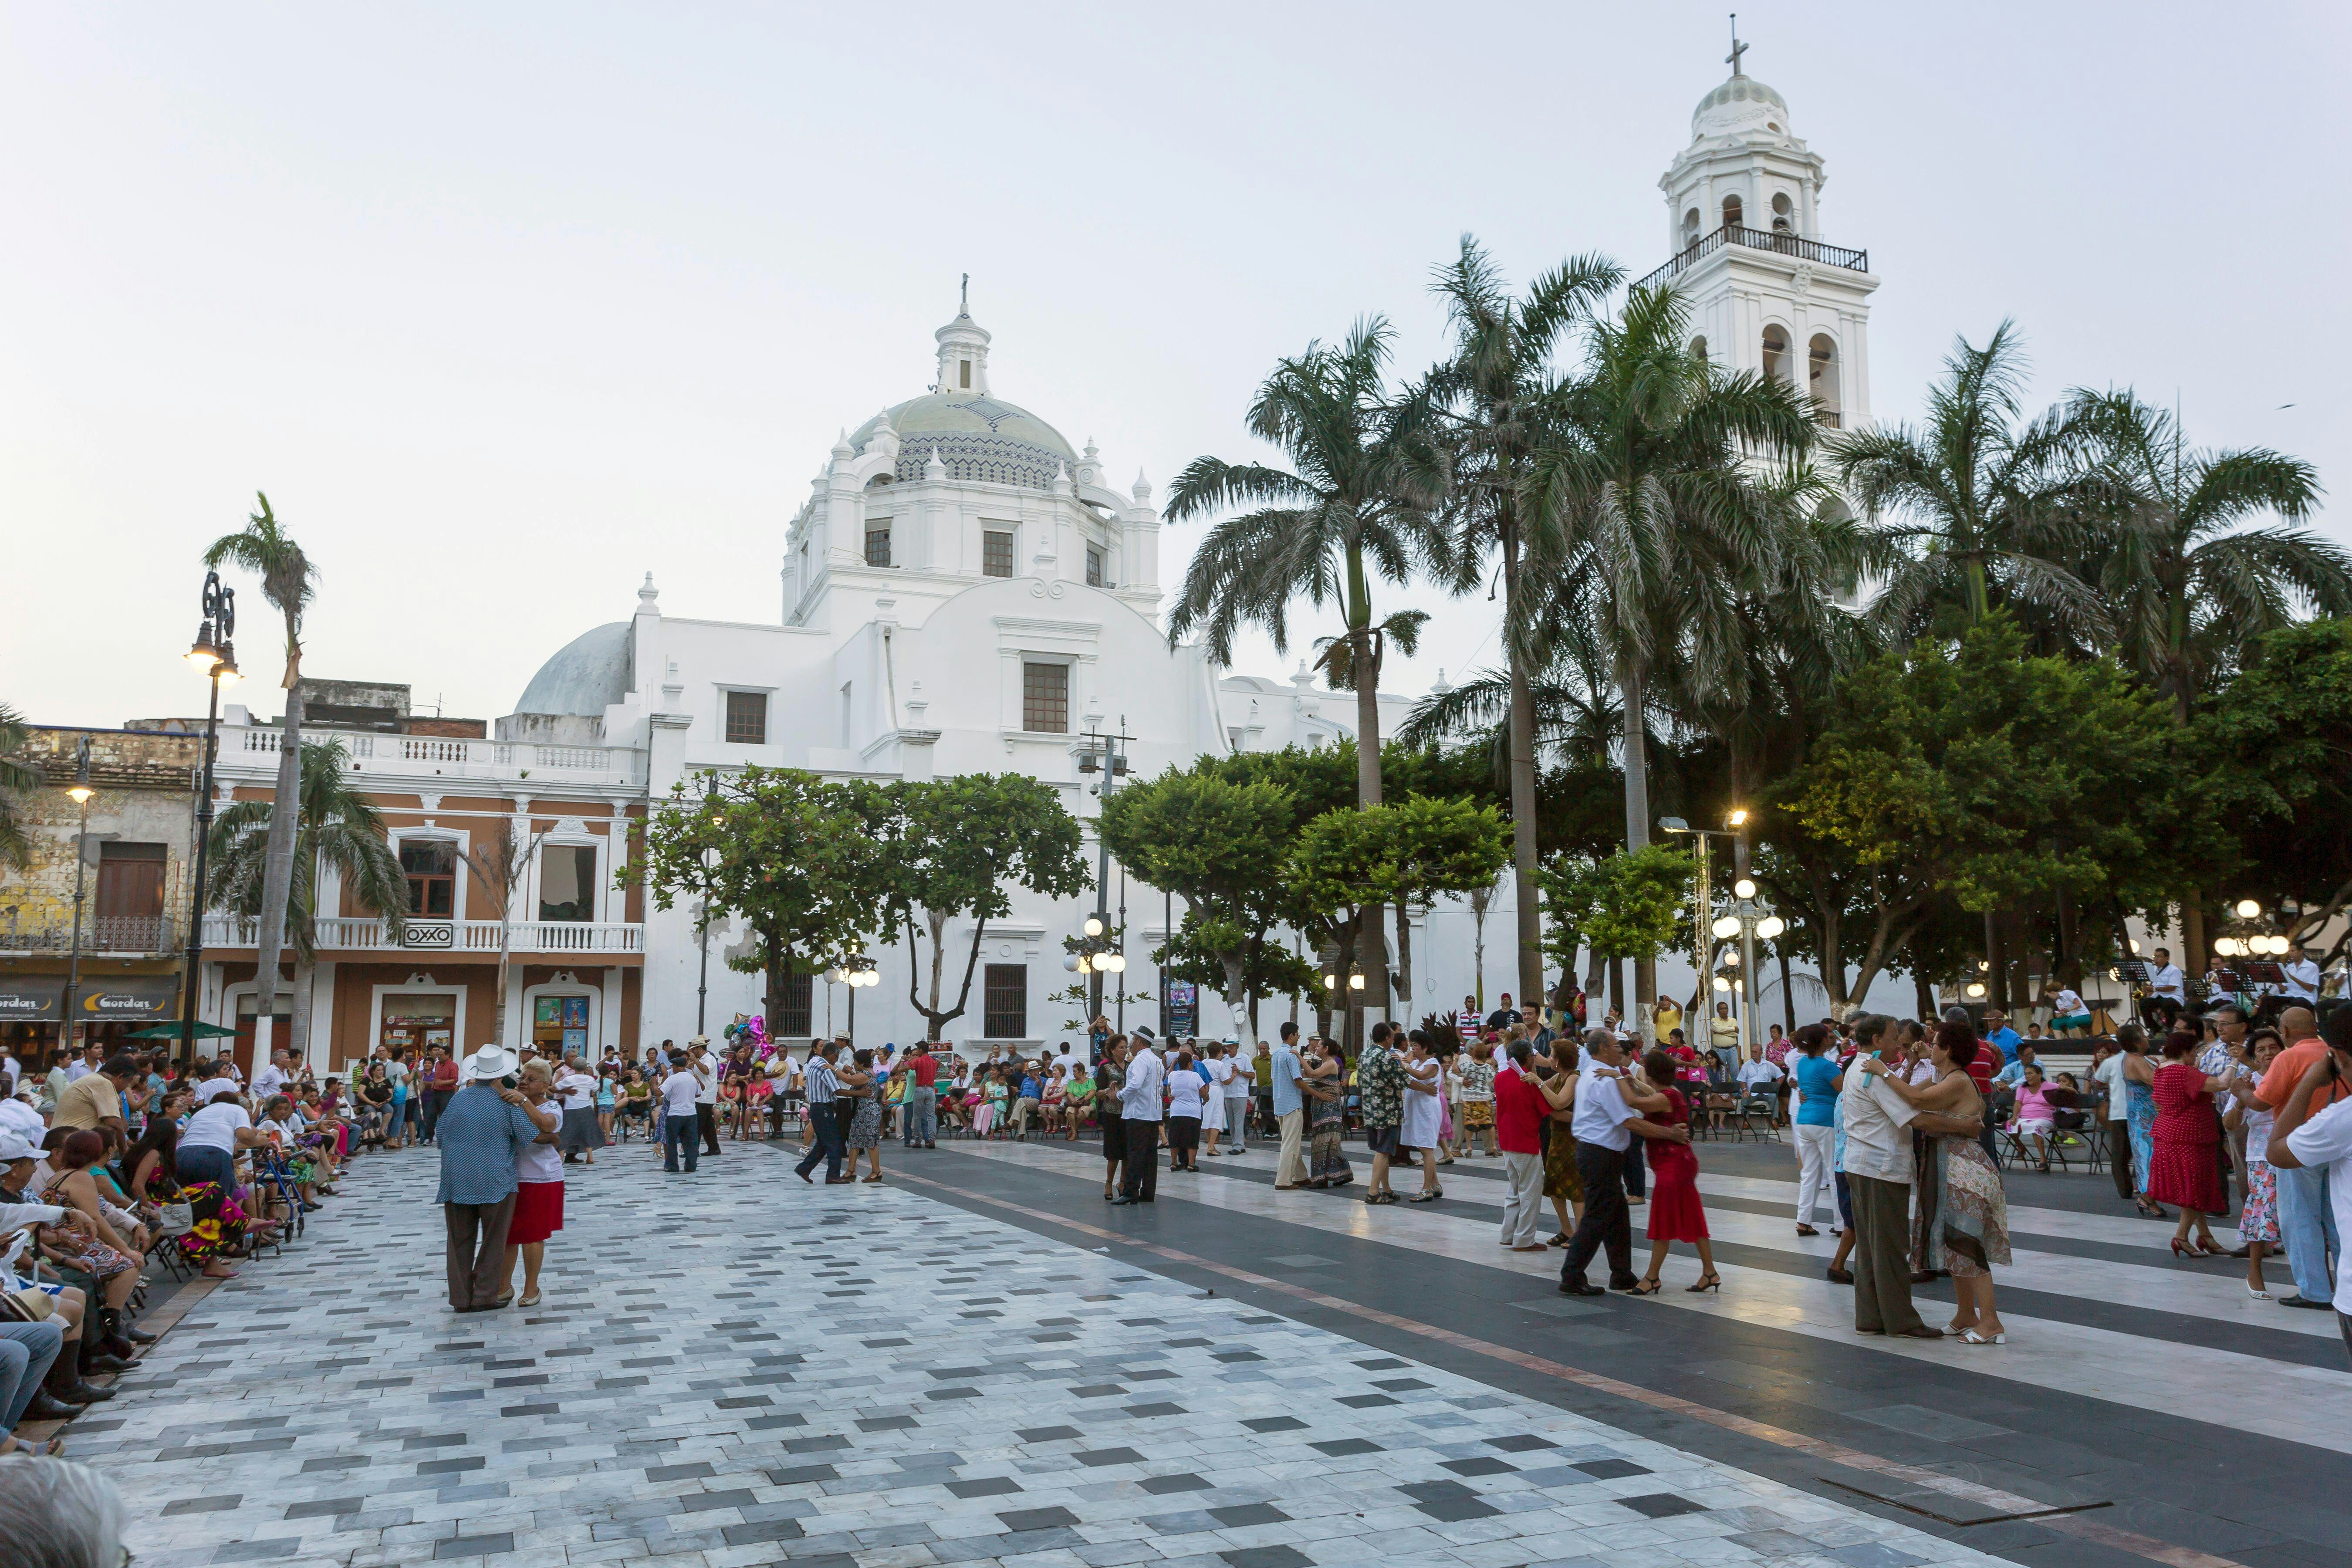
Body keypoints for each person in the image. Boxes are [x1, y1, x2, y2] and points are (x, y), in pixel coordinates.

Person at [1859, 1021, 2009, 1343]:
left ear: (1949, 1050)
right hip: (1947, 1164)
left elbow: (1915, 1099)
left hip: (1963, 1168)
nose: (1928, 1046)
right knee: (1951, 1240)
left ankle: (1991, 1321)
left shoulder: (1956, 1080)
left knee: (1967, 1242)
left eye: (1935, 1044)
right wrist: (1913, 1062)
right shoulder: (1945, 1075)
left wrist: (1882, 1070)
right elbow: (1916, 1088)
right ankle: (1966, 1314)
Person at [1836, 1014, 1940, 1338]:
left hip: (1862, 1166)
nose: (1900, 1042)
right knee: (1893, 1247)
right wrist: (1965, 1125)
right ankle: (1902, 1321)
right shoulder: (1874, 1075)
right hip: (1881, 1169)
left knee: (1870, 1247)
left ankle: (1871, 1316)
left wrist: (1920, 1068)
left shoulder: (1861, 1067)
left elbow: (1906, 1092)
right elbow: (1913, 1115)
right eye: (1894, 1036)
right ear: (1878, 1040)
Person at [1558, 1028, 1683, 1296]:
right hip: (1599, 1154)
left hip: (1600, 1153)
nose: (1620, 1050)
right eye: (1615, 1046)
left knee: (1616, 1215)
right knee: (1596, 1216)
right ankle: (1572, 1275)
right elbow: (1628, 1120)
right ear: (1603, 1049)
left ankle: (1622, 1273)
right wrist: (1669, 1133)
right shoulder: (1602, 1080)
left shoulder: (1597, 1075)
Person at [435, 1046, 557, 1312]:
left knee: (458, 1243)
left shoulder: (458, 1099)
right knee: (494, 1241)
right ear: (501, 1076)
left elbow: (441, 1138)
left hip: (456, 1180)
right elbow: (533, 1137)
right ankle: (484, 1296)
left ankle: (460, 1299)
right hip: (496, 1181)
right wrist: (555, 1138)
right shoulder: (506, 1102)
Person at [2264, 1014, 2352, 1358]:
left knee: (2302, 1217)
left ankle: (2314, 1288)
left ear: (2338, 1057)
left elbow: (2277, 1151)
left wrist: (2310, 1082)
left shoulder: (2343, 1119)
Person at [1626, 1048, 1717, 1294]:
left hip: (1673, 1166)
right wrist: (1632, 1080)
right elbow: (1645, 1093)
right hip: (1679, 1163)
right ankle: (1710, 1272)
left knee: (1662, 1219)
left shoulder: (1664, 1098)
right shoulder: (1670, 1092)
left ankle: (1652, 1277)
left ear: (1652, 1075)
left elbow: (1634, 1102)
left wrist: (1616, 1078)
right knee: (1693, 1218)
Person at [2148, 1030, 2237, 1258]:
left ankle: (2205, 1236)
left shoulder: (2161, 1069)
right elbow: (2221, 1084)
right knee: (2194, 1188)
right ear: (2186, 1051)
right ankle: (2181, 1237)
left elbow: (2158, 1100)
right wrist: (2235, 1061)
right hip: (2191, 1136)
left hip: (2168, 1133)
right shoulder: (2184, 1072)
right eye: (2195, 1051)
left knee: (2193, 1187)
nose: (2197, 1055)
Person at [2226, 1027, 2286, 1299]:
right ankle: (2254, 1274)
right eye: (2261, 1050)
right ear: (2254, 1056)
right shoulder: (2248, 1081)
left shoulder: (2296, 1077)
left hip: (2297, 1151)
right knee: (2263, 1214)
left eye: (2273, 1047)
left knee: (2300, 1216)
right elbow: (2229, 1123)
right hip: (2262, 1155)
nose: (2268, 1053)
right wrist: (2241, 1099)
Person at [503, 1061, 564, 1308]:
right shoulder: (512, 1105)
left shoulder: (552, 1107)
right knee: (509, 1236)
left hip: (542, 1177)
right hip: (512, 1176)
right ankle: (503, 1286)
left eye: (531, 1080)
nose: (524, 1082)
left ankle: (532, 1288)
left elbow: (548, 1126)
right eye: (523, 1078)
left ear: (545, 1086)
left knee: (533, 1236)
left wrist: (524, 1102)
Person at [1492, 1041, 1550, 1252]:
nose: (1535, 1059)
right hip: (1526, 1141)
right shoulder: (1529, 1081)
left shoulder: (1501, 1077)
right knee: (1530, 1193)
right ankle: (1525, 1240)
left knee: (1514, 1190)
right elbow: (1547, 1109)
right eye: (1533, 1056)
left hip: (1507, 1140)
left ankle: (1508, 1235)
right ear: (1527, 1058)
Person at [1790, 1024, 1838, 1236]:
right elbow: (1847, 1089)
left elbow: (1806, 1088)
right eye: (1829, 1036)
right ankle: (1842, 1223)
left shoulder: (1802, 1064)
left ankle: (1804, 1221)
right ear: (1822, 1042)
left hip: (1805, 1119)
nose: (1832, 1038)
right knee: (1834, 1173)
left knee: (1809, 1173)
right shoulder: (1827, 1066)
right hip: (1826, 1121)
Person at [1357, 1022, 1406, 1205]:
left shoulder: (1364, 1055)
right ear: (1387, 1038)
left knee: (1382, 1151)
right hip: (1388, 1112)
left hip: (1370, 1111)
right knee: (1383, 1151)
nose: (1394, 1039)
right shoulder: (1386, 1057)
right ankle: (1373, 1192)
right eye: (1393, 1036)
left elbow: (1360, 1083)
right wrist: (1427, 1088)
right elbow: (1402, 1081)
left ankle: (1386, 1189)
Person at [1112, 1031, 1164, 1204]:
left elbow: (1136, 1084)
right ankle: (1148, 1192)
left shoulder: (1141, 1060)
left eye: (1133, 1040)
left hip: (1139, 1113)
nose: (1131, 1045)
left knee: (1135, 1153)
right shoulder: (1157, 1060)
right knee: (1150, 1154)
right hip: (1153, 1113)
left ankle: (1131, 1192)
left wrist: (1119, 1095)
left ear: (1140, 1041)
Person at [2120, 1029, 2166, 1218]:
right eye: (2144, 1037)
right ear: (2137, 1043)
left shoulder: (2136, 1058)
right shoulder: (2136, 1060)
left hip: (2144, 1115)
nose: (2148, 1039)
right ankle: (2148, 1198)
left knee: (2149, 1156)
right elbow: (2156, 1081)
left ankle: (2148, 1198)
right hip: (2143, 1117)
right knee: (2147, 1156)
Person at [1400, 1032, 1445, 1202]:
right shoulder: (1418, 1063)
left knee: (1427, 1149)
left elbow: (1423, 1076)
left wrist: (1404, 1066)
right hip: (1417, 1109)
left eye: (1416, 1046)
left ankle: (1426, 1189)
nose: (1413, 1049)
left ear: (1425, 1048)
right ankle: (1435, 1185)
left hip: (1427, 1110)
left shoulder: (1432, 1063)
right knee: (1423, 1147)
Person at [1300, 1038, 1351, 1190]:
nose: (1316, 1049)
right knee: (1329, 1143)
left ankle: (1321, 1178)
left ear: (1326, 1049)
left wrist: (1299, 1056)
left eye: (1319, 1046)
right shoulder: (1326, 1063)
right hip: (1323, 1107)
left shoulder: (1330, 1063)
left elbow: (1313, 1074)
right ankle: (1342, 1174)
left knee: (1324, 1142)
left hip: (1329, 1109)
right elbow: (1307, 1074)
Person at [1270, 1024, 1306, 1188]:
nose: (1299, 1037)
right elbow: (1298, 1081)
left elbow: (1275, 1078)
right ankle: (1283, 1181)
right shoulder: (1291, 1055)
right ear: (1291, 1036)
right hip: (1292, 1104)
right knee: (1290, 1143)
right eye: (1298, 1034)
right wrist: (1317, 1093)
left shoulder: (1276, 1054)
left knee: (1293, 1141)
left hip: (1280, 1103)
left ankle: (1300, 1176)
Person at [659, 1049, 705, 1176]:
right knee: (691, 1142)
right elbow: (699, 1093)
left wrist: (652, 1085)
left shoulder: (673, 1079)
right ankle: (691, 1166)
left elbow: (659, 1093)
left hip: (675, 1114)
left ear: (678, 1067)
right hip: (691, 1114)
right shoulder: (692, 1078)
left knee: (672, 1141)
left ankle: (673, 1166)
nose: (672, 1068)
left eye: (673, 1066)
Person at [1095, 1038, 1128, 1199]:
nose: (1124, 1050)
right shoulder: (1106, 1069)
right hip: (1112, 1113)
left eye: (1126, 1047)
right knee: (1113, 1152)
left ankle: (1123, 1182)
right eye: (1121, 1047)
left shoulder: (1131, 1067)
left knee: (1127, 1151)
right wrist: (1109, 1091)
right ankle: (1109, 1182)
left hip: (1129, 1113)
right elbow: (1098, 1092)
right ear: (1113, 1050)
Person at [554, 1057, 604, 1165]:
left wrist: (558, 1075)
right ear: (585, 1068)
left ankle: (561, 1158)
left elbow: (556, 1087)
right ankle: (590, 1157)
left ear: (574, 1067)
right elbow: (597, 1088)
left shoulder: (569, 1079)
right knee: (587, 1132)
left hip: (570, 1108)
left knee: (566, 1133)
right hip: (586, 1107)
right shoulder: (589, 1079)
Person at [1165, 1047, 1206, 1172]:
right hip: (1193, 1112)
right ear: (1190, 1064)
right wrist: (1207, 1098)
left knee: (1175, 1138)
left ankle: (1173, 1163)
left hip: (1176, 1112)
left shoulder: (1173, 1075)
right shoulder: (1195, 1076)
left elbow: (1168, 1087)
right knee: (1192, 1139)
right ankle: (1191, 1164)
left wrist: (1170, 1094)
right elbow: (1203, 1093)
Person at [903, 1042, 939, 1150]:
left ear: (920, 1050)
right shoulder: (933, 1062)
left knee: (918, 1116)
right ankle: (931, 1139)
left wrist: (904, 1062)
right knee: (931, 1116)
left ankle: (918, 1140)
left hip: (919, 1089)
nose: (917, 1052)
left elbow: (907, 1068)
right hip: (931, 1089)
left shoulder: (918, 1061)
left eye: (918, 1050)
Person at [1223, 1042, 1254, 1153]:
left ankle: (1237, 1145)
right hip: (1228, 1093)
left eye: (1231, 1048)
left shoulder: (1244, 1058)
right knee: (1231, 1121)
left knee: (1239, 1121)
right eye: (1227, 1048)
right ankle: (1238, 1144)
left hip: (1240, 1093)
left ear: (1236, 1047)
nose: (1229, 1050)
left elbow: (1252, 1075)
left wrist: (1239, 1071)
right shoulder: (1224, 1059)